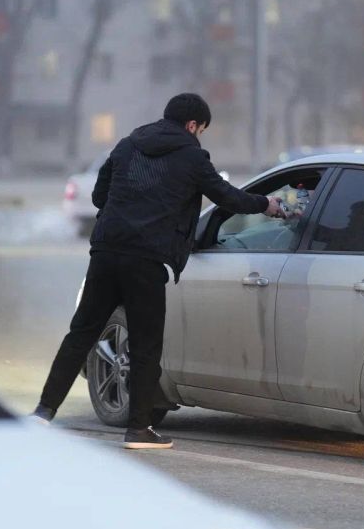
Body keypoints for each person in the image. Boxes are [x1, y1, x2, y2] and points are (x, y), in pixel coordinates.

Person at [32, 93, 283, 449]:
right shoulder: (192, 157)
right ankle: (138, 430)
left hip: (106, 252)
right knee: (145, 344)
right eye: (201, 130)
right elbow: (228, 198)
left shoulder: (127, 145)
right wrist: (267, 206)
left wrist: (129, 209)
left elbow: (99, 196)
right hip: (145, 259)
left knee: (81, 334)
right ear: (193, 125)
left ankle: (42, 412)